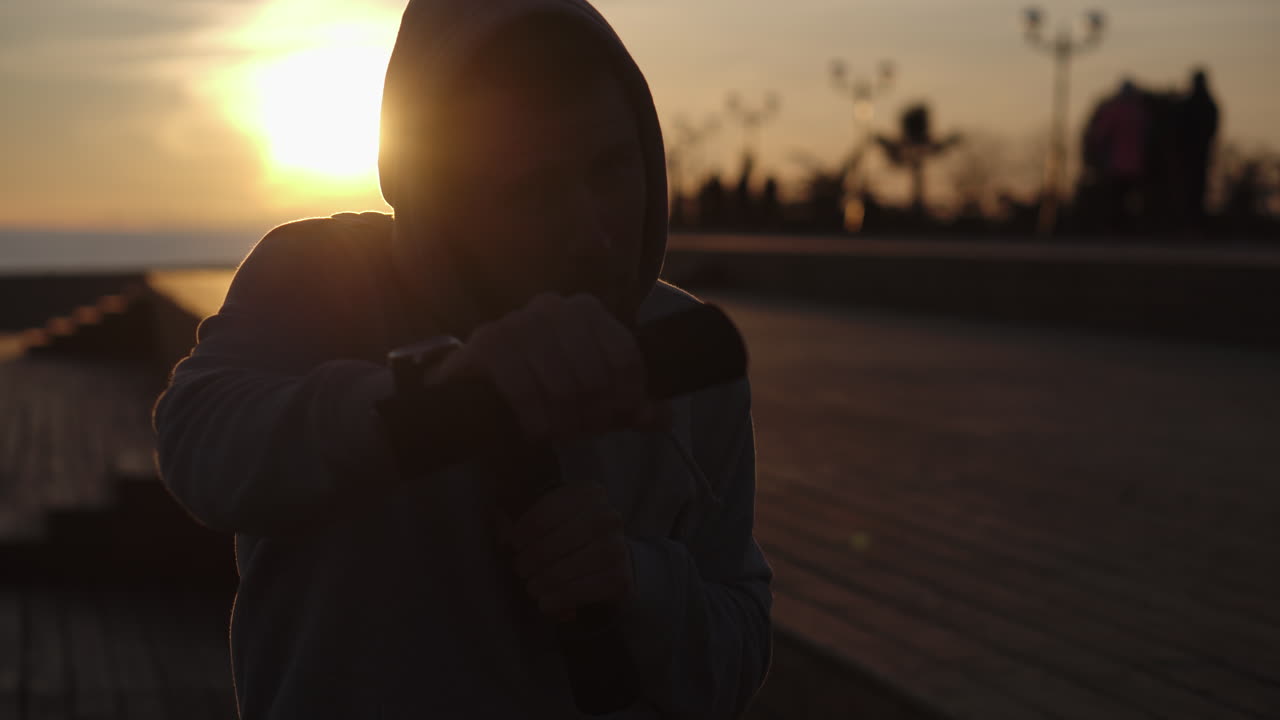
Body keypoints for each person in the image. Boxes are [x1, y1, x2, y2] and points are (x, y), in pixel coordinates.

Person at [151, 1, 773, 719]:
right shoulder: (318, 277)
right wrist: (443, 392)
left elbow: (743, 637)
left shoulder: (683, 345)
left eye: (611, 169)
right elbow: (199, 442)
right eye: (532, 194)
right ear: (440, 199)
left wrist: (638, 583)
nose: (596, 236)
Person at [1178, 68, 1220, 228]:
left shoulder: (1189, 103)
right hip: (1198, 152)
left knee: (1193, 188)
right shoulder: (1209, 103)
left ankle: (1193, 223)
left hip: (1194, 153)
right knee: (1196, 188)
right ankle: (1195, 223)